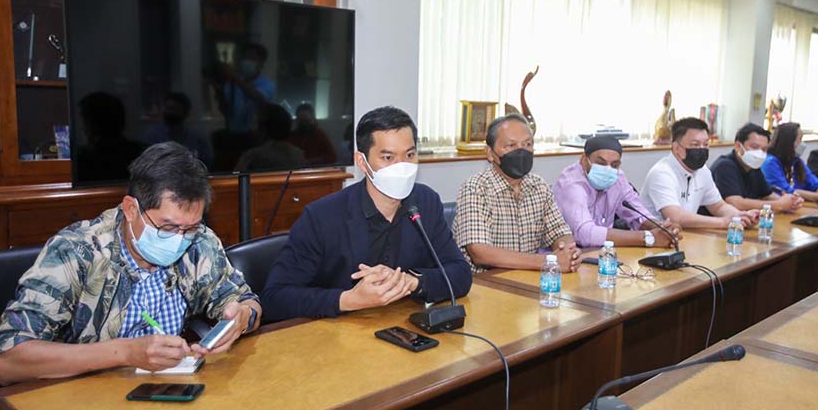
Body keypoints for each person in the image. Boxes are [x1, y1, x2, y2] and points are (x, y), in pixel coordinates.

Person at [0, 142, 261, 386]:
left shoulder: (199, 241)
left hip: (167, 392)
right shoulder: (75, 251)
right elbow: (6, 364)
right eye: (167, 227)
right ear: (131, 209)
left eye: (189, 228)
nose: (180, 239)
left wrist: (242, 317)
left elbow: (248, 302)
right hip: (84, 399)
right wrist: (125, 352)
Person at [261, 106, 471, 320]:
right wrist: (348, 299)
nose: (402, 167)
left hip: (401, 325)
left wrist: (411, 282)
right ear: (362, 162)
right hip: (336, 332)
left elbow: (461, 274)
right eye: (388, 157)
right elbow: (275, 299)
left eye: (409, 155)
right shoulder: (321, 216)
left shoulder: (426, 202)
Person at [453, 113, 581, 273]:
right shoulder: (475, 188)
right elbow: (479, 252)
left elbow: (559, 232)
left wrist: (567, 252)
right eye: (511, 145)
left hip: (527, 279)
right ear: (490, 153)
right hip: (484, 282)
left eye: (527, 144)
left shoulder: (539, 186)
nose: (521, 151)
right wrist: (548, 261)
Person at [552, 135, 682, 248]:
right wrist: (648, 238)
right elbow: (585, 234)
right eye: (601, 163)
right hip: (569, 255)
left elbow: (639, 215)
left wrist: (662, 229)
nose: (608, 169)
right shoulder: (571, 184)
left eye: (614, 165)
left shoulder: (617, 178)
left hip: (604, 252)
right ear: (584, 160)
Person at [640, 117, 759, 230]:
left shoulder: (702, 171)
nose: (702, 149)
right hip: (655, 238)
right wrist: (723, 222)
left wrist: (740, 216)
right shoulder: (662, 173)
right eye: (695, 145)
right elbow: (675, 217)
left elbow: (718, 206)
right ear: (676, 148)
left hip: (686, 235)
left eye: (706, 144)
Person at [710, 123, 804, 213]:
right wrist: (779, 204)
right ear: (738, 146)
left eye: (764, 149)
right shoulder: (724, 166)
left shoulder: (753, 167)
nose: (759, 153)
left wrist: (790, 202)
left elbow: (767, 195)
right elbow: (735, 203)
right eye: (754, 147)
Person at [761, 122, 818, 203]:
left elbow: (815, 184)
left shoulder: (797, 161)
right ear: (788, 142)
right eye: (800, 139)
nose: (802, 144)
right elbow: (786, 191)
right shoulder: (770, 163)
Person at [144, 92, 214, 167]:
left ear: (185, 112)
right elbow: (147, 163)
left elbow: (207, 164)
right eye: (167, 108)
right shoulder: (153, 136)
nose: (169, 112)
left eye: (174, 109)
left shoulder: (197, 138)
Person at [218, 43, 276, 132]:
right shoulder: (231, 84)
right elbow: (224, 109)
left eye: (252, 58)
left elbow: (255, 96)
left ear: (261, 63)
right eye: (245, 58)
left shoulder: (267, 84)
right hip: (233, 133)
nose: (247, 62)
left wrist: (235, 77)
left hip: (255, 134)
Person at [235, 104, 307, 172]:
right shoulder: (299, 155)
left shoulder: (251, 157)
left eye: (255, 123)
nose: (251, 129)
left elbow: (235, 179)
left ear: (263, 128)